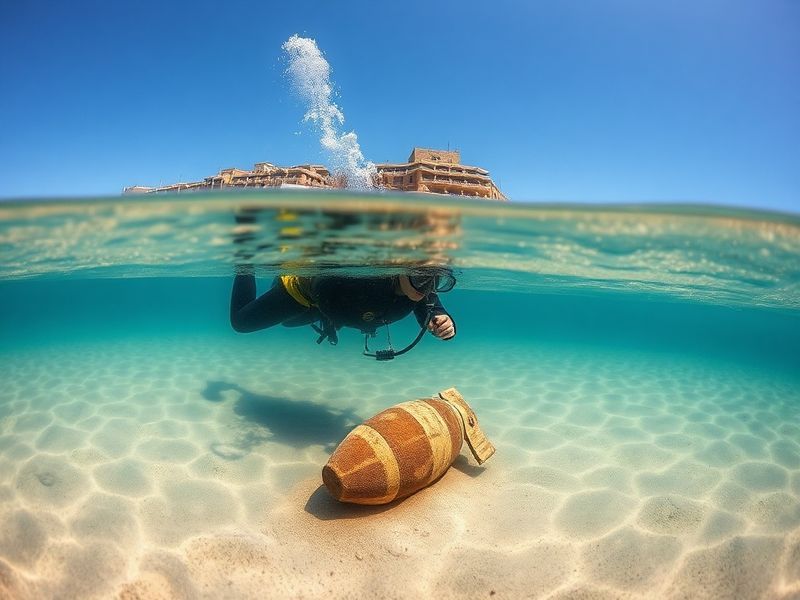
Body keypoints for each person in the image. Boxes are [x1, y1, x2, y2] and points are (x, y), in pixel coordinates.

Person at [230, 267, 457, 357]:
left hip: (332, 310)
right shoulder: (363, 277)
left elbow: (426, 301)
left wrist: (439, 317)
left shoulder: (420, 287)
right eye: (421, 278)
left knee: (288, 323)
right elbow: (323, 286)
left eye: (437, 280)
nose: (427, 288)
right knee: (241, 322)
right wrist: (335, 317)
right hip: (303, 292)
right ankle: (244, 263)